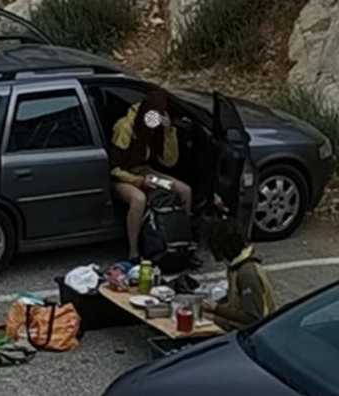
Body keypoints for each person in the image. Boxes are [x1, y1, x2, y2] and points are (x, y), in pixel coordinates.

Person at [109, 89, 193, 261]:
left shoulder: (156, 128)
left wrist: (169, 132)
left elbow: (169, 162)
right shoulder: (125, 127)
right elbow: (114, 168)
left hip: (145, 172)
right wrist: (138, 181)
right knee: (139, 200)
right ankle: (133, 252)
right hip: (123, 176)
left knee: (184, 190)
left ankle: (182, 242)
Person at [203, 219, 276, 331]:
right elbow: (236, 305)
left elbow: (253, 318)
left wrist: (216, 315)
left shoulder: (247, 274)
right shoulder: (235, 268)